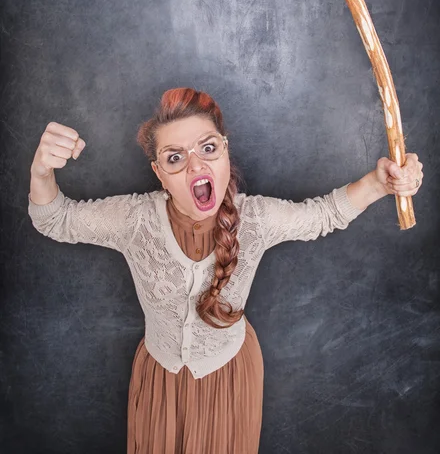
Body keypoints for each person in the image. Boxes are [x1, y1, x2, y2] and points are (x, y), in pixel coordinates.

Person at [28, 87, 424, 454]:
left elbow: (322, 215)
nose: (196, 164)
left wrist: (381, 183)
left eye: (208, 147)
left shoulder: (256, 218)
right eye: (175, 157)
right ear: (159, 174)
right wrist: (41, 172)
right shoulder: (134, 219)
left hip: (229, 381)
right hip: (159, 383)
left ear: (226, 152)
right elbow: (55, 220)